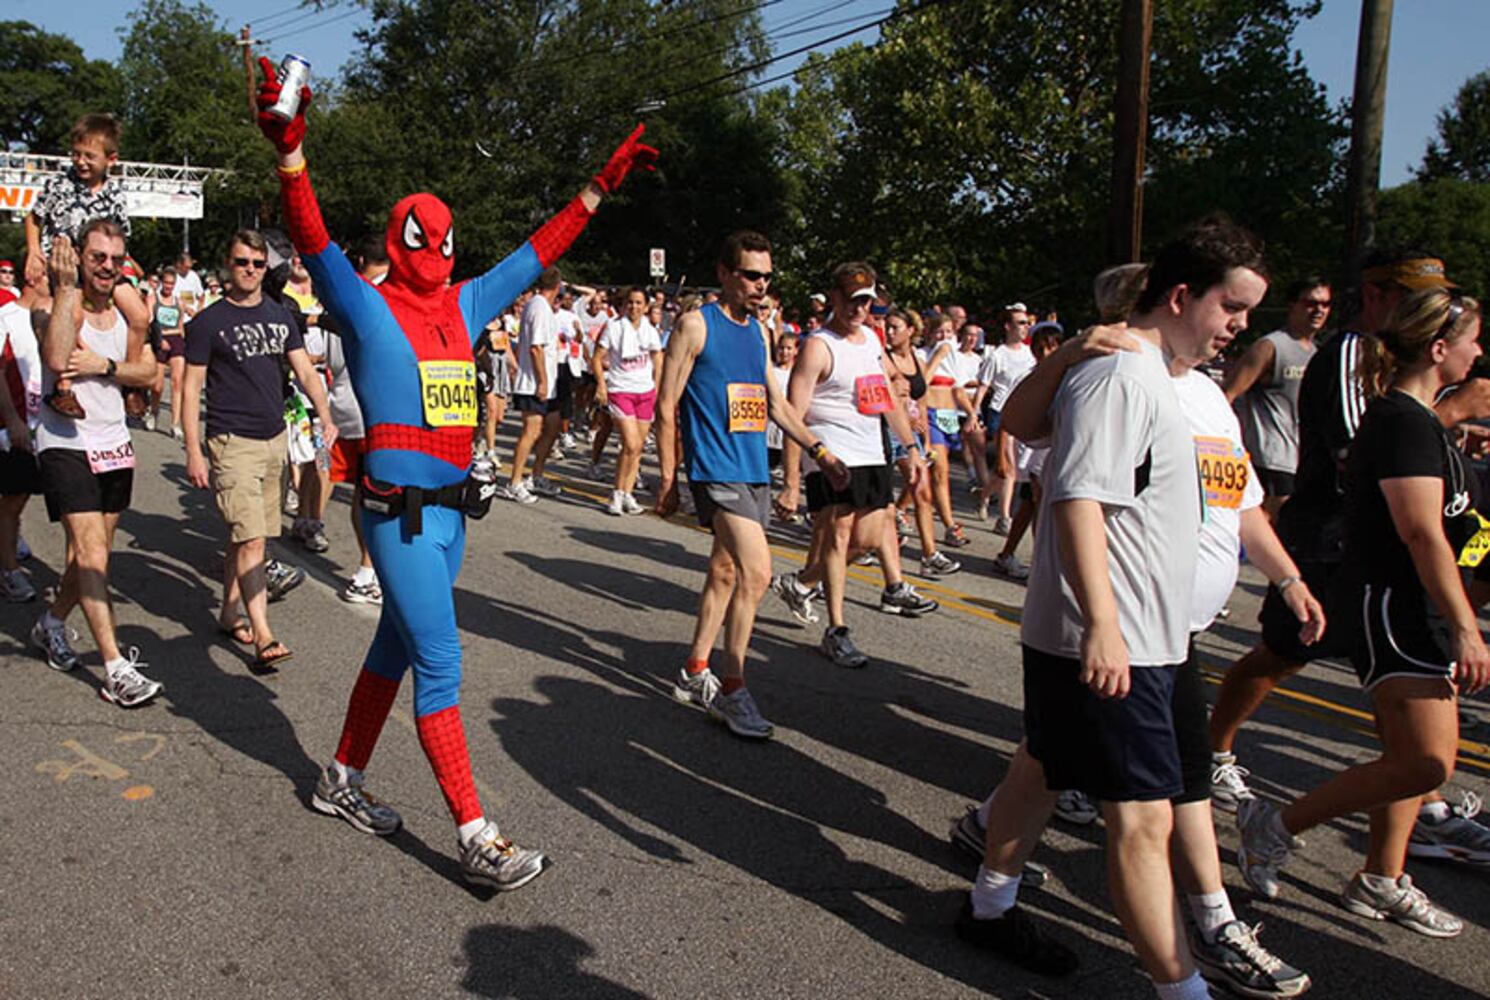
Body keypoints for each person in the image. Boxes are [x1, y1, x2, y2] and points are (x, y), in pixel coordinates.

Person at [256, 57, 656, 889]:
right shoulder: (367, 304)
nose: (433, 249)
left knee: (397, 650)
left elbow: (537, 249)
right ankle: (476, 832)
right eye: (421, 237)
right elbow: (313, 239)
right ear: (405, 240)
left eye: (441, 237)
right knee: (441, 660)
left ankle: (340, 778)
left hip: (449, 518)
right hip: (397, 516)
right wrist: (290, 152)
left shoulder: (468, 304)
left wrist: (596, 189)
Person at [955, 219, 1269, 1000]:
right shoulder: (1122, 375)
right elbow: (1078, 498)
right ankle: (1181, 989)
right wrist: (1102, 625)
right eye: (1233, 308)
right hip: (1116, 637)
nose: (1240, 327)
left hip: (1147, 636)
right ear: (1180, 295)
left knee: (1044, 765)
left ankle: (989, 909)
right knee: (1144, 820)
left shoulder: (1160, 375)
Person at [1205, 251, 1490, 865]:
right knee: (1284, 653)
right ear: (1380, 295)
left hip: (1384, 556)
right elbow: (1365, 456)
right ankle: (1215, 754)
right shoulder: (1350, 358)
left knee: (1411, 723)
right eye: (1416, 293)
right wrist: (1454, 415)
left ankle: (1398, 844)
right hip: (1333, 541)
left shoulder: (1400, 375)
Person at [654, 230, 849, 740]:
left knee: (723, 571)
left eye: (767, 276)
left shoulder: (760, 331)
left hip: (751, 468)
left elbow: (778, 404)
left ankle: (694, 670)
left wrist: (820, 452)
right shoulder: (696, 326)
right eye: (751, 275)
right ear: (724, 273)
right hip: (715, 470)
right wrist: (669, 477)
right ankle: (733, 689)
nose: (761, 285)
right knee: (757, 573)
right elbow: (666, 405)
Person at [181, 230, 335, 671]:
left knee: (250, 536)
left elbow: (304, 369)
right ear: (228, 265)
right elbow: (190, 390)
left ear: (267, 268)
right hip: (231, 442)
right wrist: (194, 450)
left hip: (274, 441)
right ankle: (263, 634)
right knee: (252, 541)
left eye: (257, 263)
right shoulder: (208, 323)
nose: (249, 270)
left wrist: (323, 414)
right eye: (241, 262)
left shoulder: (280, 314)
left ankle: (230, 612)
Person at [774, 263, 933, 664]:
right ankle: (837, 629)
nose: (859, 309)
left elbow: (889, 401)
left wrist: (911, 447)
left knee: (870, 538)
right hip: (830, 453)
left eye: (865, 301)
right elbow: (794, 413)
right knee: (841, 535)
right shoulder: (818, 345)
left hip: (871, 452)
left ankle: (801, 582)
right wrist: (792, 480)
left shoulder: (871, 342)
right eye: (851, 300)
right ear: (835, 298)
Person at [31, 225, 161, 707]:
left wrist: (104, 368)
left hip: (114, 442)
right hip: (64, 441)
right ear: (79, 259)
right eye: (98, 257)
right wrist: (66, 288)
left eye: (116, 258)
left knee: (90, 558)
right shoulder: (52, 305)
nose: (107, 266)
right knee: (90, 554)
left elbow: (150, 372)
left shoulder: (128, 317)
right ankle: (115, 669)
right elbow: (57, 355)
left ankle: (51, 623)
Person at [23, 113, 151, 420]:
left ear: (111, 159)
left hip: (103, 267)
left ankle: (130, 385)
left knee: (139, 313)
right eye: (76, 154)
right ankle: (64, 387)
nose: (80, 162)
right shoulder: (59, 183)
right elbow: (34, 217)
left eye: (89, 156)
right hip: (65, 266)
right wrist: (32, 252)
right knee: (72, 315)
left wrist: (128, 266)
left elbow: (121, 237)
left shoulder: (115, 195)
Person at [1222, 277, 1329, 518]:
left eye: (1325, 304)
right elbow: (1229, 394)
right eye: (1311, 303)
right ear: (1292, 305)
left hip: (1301, 456)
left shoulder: (1318, 352)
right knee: (1273, 523)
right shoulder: (1270, 346)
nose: (1318, 310)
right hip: (1270, 456)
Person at [592, 287, 662, 515]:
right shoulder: (614, 327)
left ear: (646, 306)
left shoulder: (650, 330)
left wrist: (657, 387)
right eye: (631, 302)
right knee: (630, 444)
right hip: (621, 389)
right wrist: (602, 385)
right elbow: (597, 358)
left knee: (638, 447)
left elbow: (657, 358)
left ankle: (628, 492)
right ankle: (616, 493)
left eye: (639, 303)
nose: (634, 307)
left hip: (645, 392)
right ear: (625, 305)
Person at [501, 268, 565, 504]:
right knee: (532, 431)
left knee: (553, 425)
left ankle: (536, 474)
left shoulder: (539, 306)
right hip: (534, 382)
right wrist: (542, 381)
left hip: (546, 381)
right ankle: (514, 481)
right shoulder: (538, 307)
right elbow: (535, 347)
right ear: (557, 287)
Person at [974, 304, 1035, 531]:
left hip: (1025, 413)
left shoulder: (1031, 355)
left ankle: (984, 494)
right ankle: (1005, 517)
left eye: (1027, 323)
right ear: (1008, 326)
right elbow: (982, 388)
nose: (1025, 327)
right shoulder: (997, 355)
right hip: (1001, 413)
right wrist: (974, 414)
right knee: (1007, 466)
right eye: (1020, 323)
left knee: (1012, 469)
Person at [0, 287, 43, 601]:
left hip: (48, 425)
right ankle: (9, 570)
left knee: (23, 497)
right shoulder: (6, 316)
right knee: (13, 500)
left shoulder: (58, 313)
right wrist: (13, 420)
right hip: (15, 425)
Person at [147, 268, 188, 438]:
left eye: (172, 284)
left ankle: (175, 423)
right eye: (166, 283)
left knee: (177, 382)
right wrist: (157, 340)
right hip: (160, 339)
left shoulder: (179, 302)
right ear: (161, 282)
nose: (168, 287)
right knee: (157, 386)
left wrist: (183, 341)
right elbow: (149, 321)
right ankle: (154, 411)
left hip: (176, 339)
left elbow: (181, 326)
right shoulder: (152, 299)